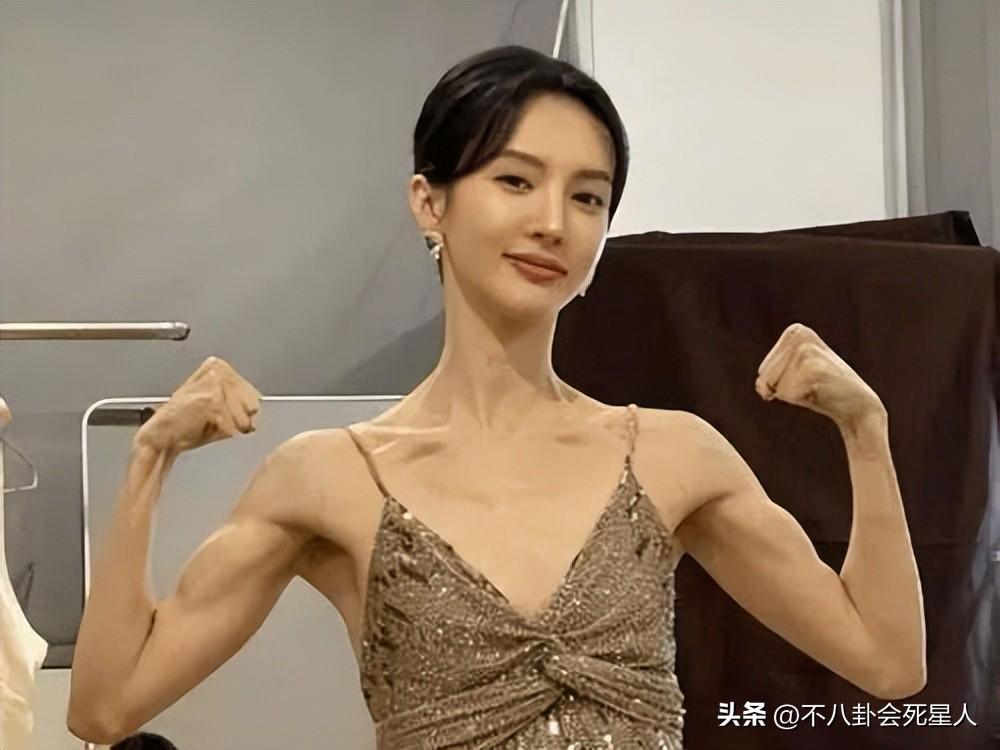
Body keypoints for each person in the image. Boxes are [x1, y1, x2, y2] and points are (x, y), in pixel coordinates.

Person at [67, 45, 925, 748]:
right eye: (515, 181)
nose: (553, 221)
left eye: (588, 197)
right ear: (429, 203)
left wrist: (866, 431)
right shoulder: (329, 477)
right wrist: (148, 461)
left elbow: (888, 661)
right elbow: (104, 709)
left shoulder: (673, 455)